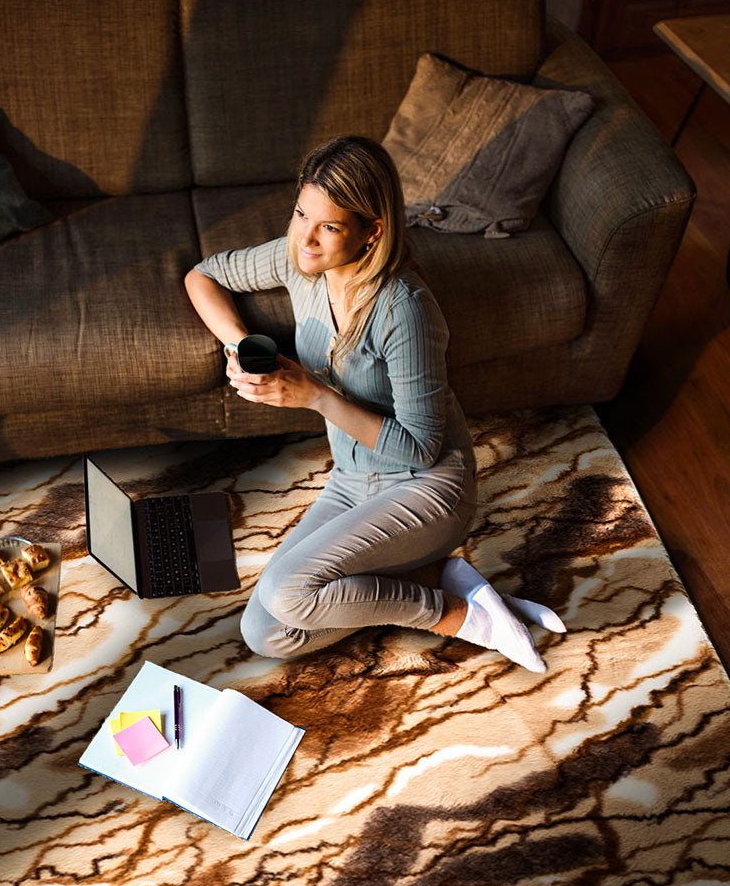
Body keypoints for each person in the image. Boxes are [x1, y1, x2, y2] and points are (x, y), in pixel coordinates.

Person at [183, 135, 561, 667]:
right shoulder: (299, 259)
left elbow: (421, 448)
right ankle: (438, 577)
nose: (305, 239)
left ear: (370, 232)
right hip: (352, 482)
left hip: (427, 486)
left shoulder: (403, 308)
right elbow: (203, 275)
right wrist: (239, 346)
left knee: (289, 592)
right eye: (300, 214)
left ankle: (461, 616)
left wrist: (315, 395)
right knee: (266, 632)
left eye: (329, 227)